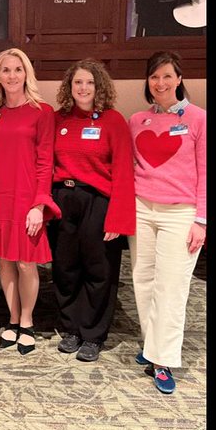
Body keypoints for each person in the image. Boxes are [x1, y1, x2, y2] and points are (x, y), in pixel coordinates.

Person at [47, 59, 135, 362]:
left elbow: (124, 171)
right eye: (77, 83)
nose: (83, 88)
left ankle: (93, 334)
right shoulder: (58, 119)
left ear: (99, 87)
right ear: (69, 87)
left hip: (98, 201)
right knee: (65, 267)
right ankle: (71, 328)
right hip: (63, 199)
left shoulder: (113, 121)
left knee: (99, 270)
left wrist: (119, 217)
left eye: (89, 83)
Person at [128, 51, 205, 394]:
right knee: (143, 279)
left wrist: (201, 221)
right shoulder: (137, 121)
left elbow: (205, 173)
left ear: (179, 78)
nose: (160, 83)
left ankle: (164, 360)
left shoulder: (198, 119)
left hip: (181, 213)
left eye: (167, 76)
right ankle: (151, 345)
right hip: (142, 208)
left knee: (172, 287)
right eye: (154, 77)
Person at [0, 48, 58, 354]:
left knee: (27, 263)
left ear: (26, 73)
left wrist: (39, 205)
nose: (12, 76)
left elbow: (45, 161)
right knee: (5, 263)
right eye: (5, 70)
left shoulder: (42, 111)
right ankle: (12, 319)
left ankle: (27, 321)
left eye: (17, 69)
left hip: (27, 198)